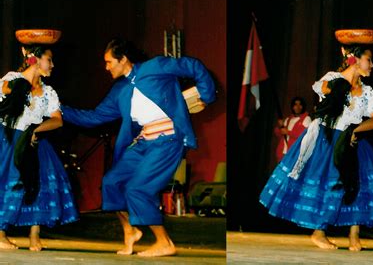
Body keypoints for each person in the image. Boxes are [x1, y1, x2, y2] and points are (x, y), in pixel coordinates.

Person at [61, 38, 216, 257]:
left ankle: (165, 242)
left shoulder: (156, 66)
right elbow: (94, 117)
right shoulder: (119, 90)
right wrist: (59, 110)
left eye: (108, 62)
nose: (106, 67)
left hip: (168, 140)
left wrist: (206, 94)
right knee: (111, 182)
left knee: (137, 189)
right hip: (144, 142)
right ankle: (130, 231)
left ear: (123, 59)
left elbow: (193, 66)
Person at [260, 44, 373, 251]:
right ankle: (319, 231)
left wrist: (354, 130)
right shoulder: (332, 79)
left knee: (356, 185)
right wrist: (346, 75)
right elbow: (326, 94)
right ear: (356, 60)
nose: (372, 64)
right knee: (332, 183)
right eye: (368, 60)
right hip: (327, 139)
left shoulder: (368, 92)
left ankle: (354, 235)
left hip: (352, 139)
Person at [0, 45, 79, 251]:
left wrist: (37, 130)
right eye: (49, 60)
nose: (52, 65)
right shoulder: (10, 80)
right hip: (12, 138)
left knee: (39, 182)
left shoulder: (48, 92)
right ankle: (0, 234)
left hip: (34, 139)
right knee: (12, 182)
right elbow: (7, 95)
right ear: (36, 60)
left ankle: (34, 235)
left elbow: (57, 120)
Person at [274, 97, 311, 161]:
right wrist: (280, 126)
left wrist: (288, 132)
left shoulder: (306, 119)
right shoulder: (288, 119)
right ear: (292, 107)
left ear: (303, 106)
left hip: (294, 154)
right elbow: (278, 134)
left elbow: (304, 135)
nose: (298, 107)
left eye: (300, 105)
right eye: (295, 105)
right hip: (283, 154)